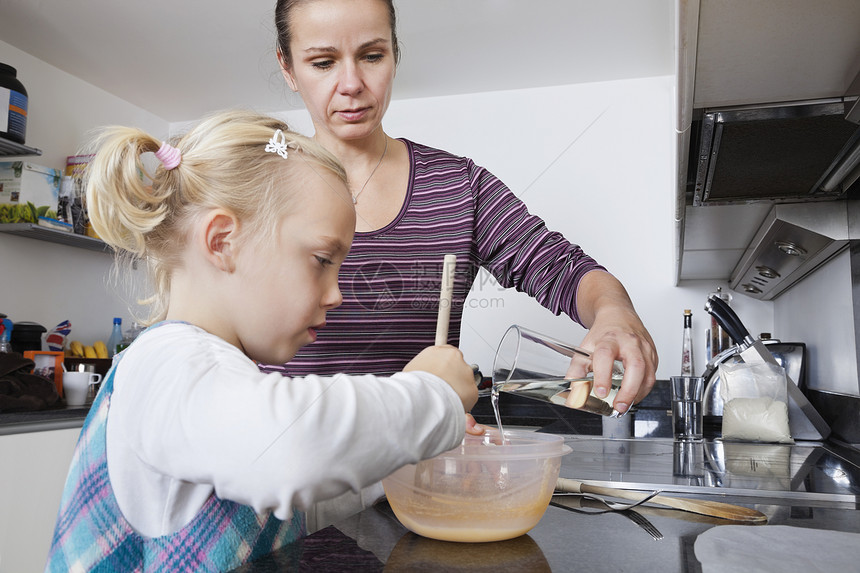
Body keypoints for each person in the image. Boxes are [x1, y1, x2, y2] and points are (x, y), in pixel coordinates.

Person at [44, 110, 478, 572]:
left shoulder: (218, 375)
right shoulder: (165, 365)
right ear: (223, 241)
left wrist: (407, 458)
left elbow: (285, 509)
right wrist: (433, 396)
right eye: (321, 259)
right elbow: (291, 452)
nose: (337, 295)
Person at [265, 0, 658, 411]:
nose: (351, 83)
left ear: (395, 55)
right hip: (284, 465)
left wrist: (614, 313)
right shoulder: (254, 182)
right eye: (323, 63)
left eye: (372, 56)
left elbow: (562, 267)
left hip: (419, 467)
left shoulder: (459, 186)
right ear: (288, 67)